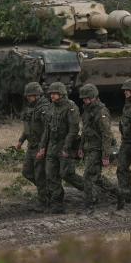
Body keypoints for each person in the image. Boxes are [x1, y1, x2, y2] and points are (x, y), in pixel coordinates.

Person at [36, 82, 86, 214]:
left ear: (62, 94)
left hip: (65, 146)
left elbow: (73, 129)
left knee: (67, 174)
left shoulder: (71, 107)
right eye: (51, 93)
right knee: (51, 175)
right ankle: (57, 203)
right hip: (52, 146)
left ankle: (90, 190)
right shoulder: (51, 108)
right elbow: (46, 130)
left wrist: (66, 147)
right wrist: (42, 147)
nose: (52, 95)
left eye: (54, 93)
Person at [79, 84, 125, 210]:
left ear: (94, 97)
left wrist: (106, 155)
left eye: (88, 98)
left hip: (97, 149)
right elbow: (85, 130)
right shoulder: (87, 110)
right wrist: (81, 147)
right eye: (84, 98)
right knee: (96, 178)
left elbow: (107, 135)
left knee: (88, 176)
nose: (85, 100)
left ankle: (90, 204)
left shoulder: (101, 112)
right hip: (89, 147)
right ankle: (118, 193)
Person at [15, 82, 50, 211]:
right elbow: (28, 128)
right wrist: (21, 140)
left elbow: (48, 129)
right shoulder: (31, 108)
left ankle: (44, 201)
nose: (28, 98)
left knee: (40, 174)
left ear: (37, 95)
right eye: (28, 96)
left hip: (40, 146)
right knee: (27, 172)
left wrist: (43, 147)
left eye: (31, 95)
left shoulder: (44, 108)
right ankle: (47, 191)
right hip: (31, 145)